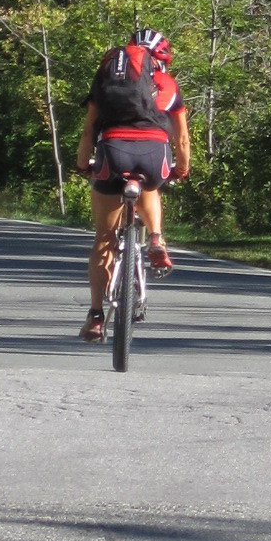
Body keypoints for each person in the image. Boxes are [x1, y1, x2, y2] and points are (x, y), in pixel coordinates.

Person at [74, 26, 191, 342]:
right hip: (154, 155)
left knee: (104, 238)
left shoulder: (106, 78)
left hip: (113, 152)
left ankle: (96, 315)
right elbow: (180, 137)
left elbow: (88, 131)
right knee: (150, 185)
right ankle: (156, 238)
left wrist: (83, 164)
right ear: (162, 59)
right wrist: (181, 169)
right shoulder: (168, 85)